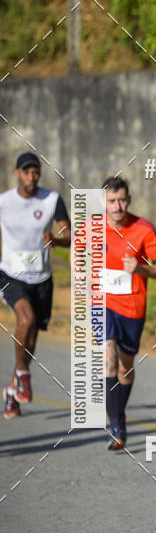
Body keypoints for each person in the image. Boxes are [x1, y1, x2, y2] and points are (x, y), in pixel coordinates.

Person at [91, 176, 156, 449]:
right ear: (104, 201)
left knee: (125, 367)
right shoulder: (92, 226)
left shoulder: (144, 229)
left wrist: (140, 268)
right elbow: (78, 255)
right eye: (112, 201)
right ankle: (116, 425)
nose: (117, 206)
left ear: (129, 200)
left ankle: (118, 412)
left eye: (121, 200)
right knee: (109, 358)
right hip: (102, 303)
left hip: (133, 307)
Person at [0, 152, 71, 419]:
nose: (32, 176)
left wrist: (56, 240)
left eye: (36, 171)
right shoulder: (4, 202)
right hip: (11, 275)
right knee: (25, 319)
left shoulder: (51, 199)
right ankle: (22, 374)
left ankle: (12, 389)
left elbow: (68, 233)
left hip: (42, 279)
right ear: (16, 173)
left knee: (31, 337)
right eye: (26, 171)